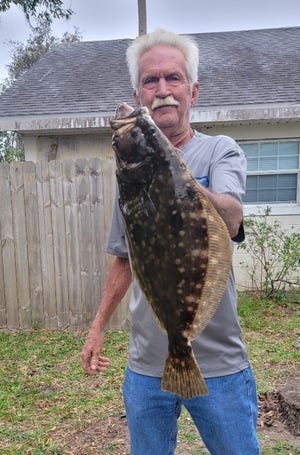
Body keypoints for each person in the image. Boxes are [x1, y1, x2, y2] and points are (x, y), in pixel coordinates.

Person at [81, 29, 260, 455]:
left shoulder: (220, 151)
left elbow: (232, 218)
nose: (162, 90)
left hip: (218, 362)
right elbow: (125, 258)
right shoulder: (133, 176)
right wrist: (97, 326)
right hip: (146, 365)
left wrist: (173, 180)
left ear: (193, 91)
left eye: (172, 78)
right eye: (150, 81)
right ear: (139, 93)